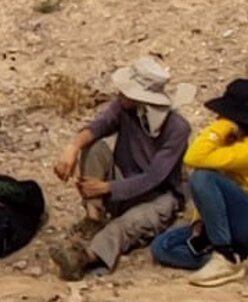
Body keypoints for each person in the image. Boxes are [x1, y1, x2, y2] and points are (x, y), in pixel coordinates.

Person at [46, 56, 193, 281]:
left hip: (159, 197)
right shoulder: (123, 109)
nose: (120, 94)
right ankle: (93, 219)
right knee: (93, 147)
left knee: (123, 227)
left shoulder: (177, 129)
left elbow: (154, 177)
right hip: (122, 182)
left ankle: (86, 258)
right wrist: (72, 148)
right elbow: (99, 126)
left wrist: (106, 187)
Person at [150, 79, 248, 287]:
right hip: (242, 224)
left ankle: (226, 258)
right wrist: (199, 220)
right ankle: (246, 259)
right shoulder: (239, 144)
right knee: (163, 247)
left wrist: (223, 126)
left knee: (202, 176)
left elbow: (194, 157)